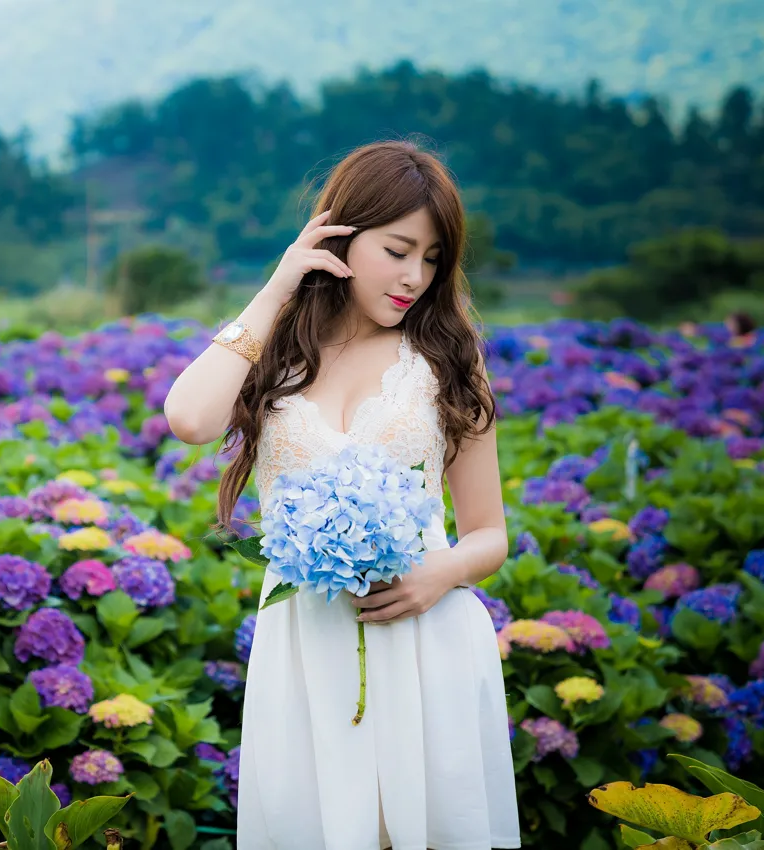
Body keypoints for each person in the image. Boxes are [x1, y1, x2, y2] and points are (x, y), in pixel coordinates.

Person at [164, 140, 521, 850]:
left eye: (432, 258)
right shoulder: (278, 350)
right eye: (397, 250)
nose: (415, 276)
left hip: (428, 639)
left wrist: (434, 576)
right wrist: (278, 286)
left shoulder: (449, 358)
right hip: (306, 647)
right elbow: (189, 419)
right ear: (341, 237)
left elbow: (488, 533)